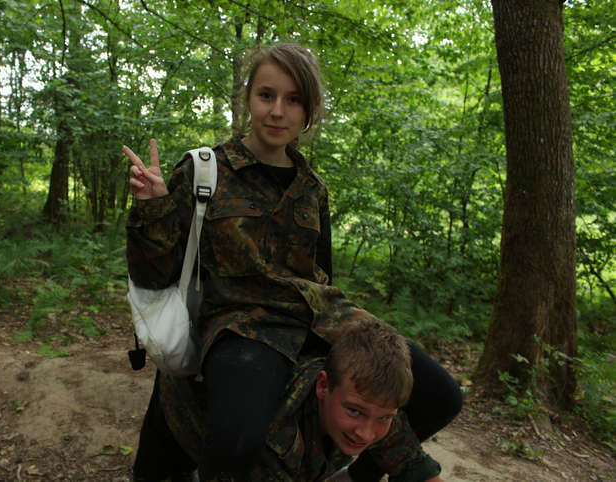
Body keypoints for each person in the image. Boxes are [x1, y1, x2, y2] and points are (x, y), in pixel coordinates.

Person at [125, 43, 461, 480]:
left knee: (441, 395)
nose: (278, 111)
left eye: (294, 99)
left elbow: (323, 272)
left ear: (309, 111)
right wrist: (152, 206)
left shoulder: (312, 188)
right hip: (242, 324)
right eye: (266, 95)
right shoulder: (205, 171)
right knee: (236, 441)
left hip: (320, 315)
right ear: (248, 98)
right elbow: (155, 275)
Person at [136, 319, 443, 481]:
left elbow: (413, 466)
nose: (366, 433)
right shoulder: (273, 434)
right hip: (183, 404)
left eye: (384, 418)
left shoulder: (370, 402)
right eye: (354, 412)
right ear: (323, 386)